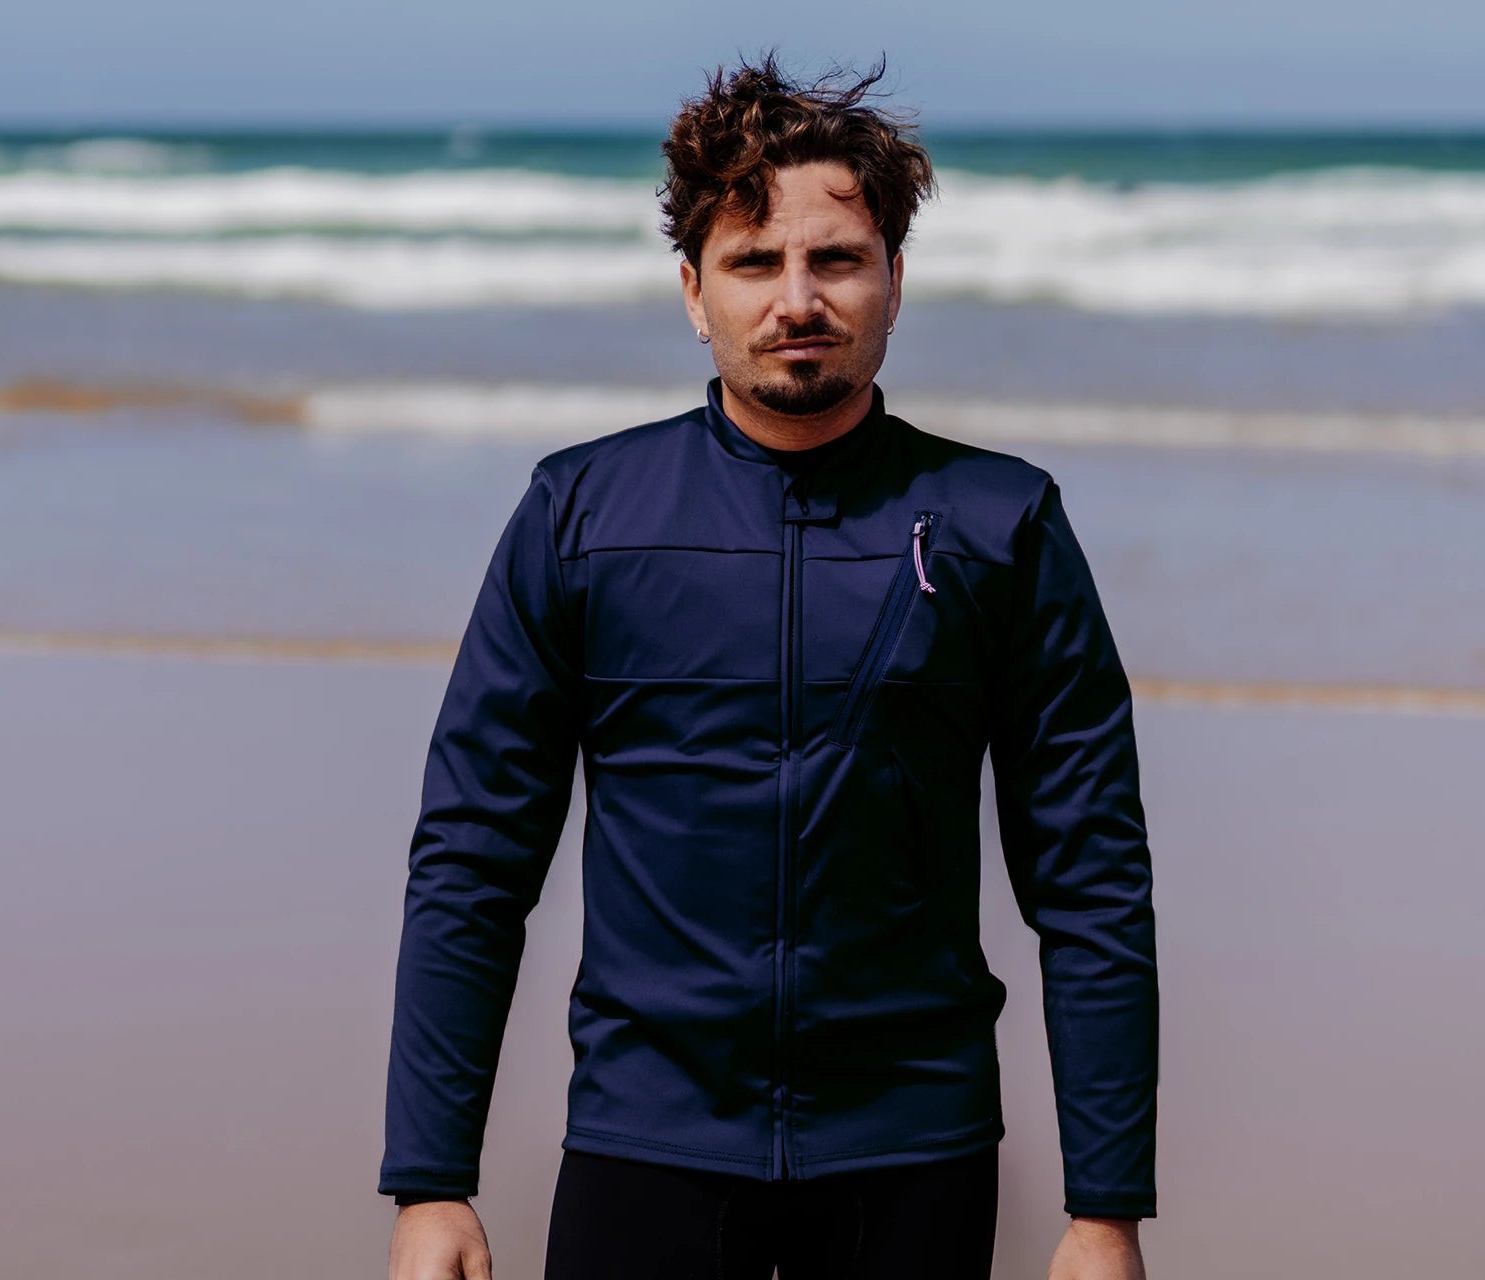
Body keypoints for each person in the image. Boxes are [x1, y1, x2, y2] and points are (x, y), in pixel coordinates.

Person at [382, 50, 1158, 1280]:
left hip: (913, 1148)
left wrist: (1105, 1208)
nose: (797, 297)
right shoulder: (582, 513)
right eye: (755, 262)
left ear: (894, 280)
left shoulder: (1000, 524)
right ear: (695, 291)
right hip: (648, 1145)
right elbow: (473, 853)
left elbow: (1092, 877)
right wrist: (431, 1181)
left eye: (835, 259)